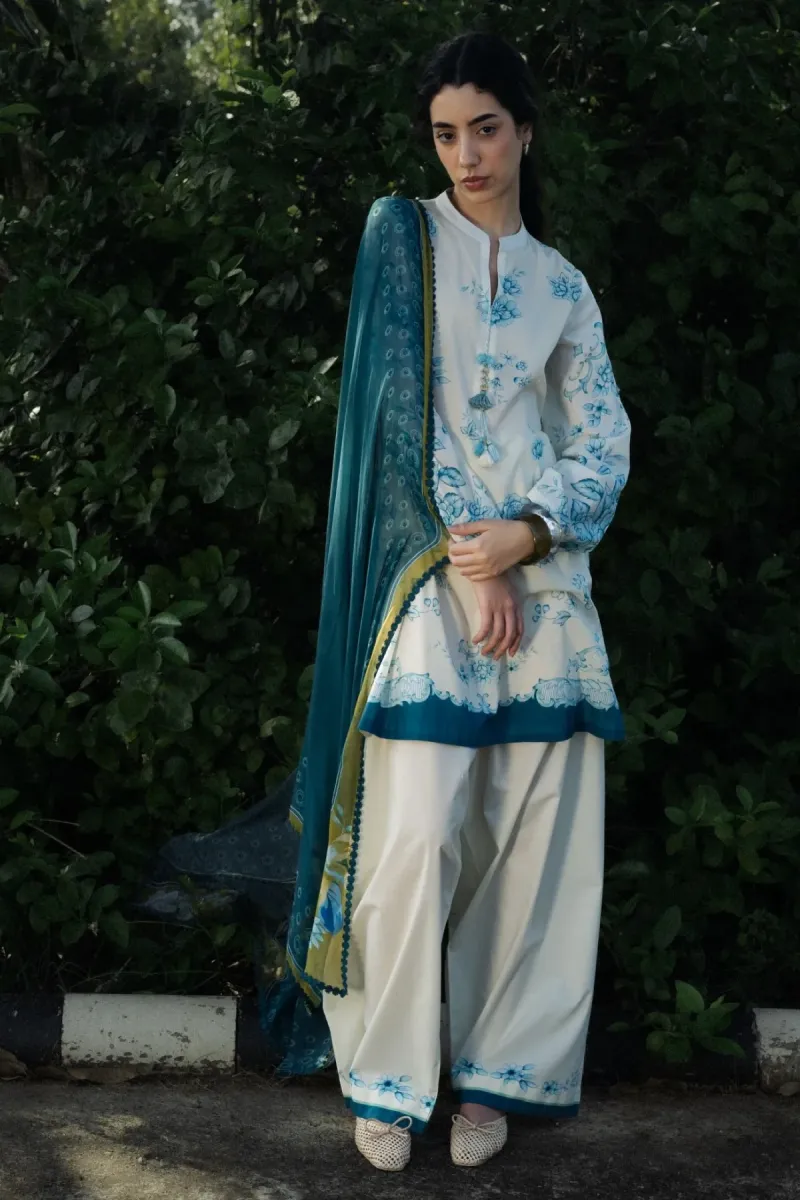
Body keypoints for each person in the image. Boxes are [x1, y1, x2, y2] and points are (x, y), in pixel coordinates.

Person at [266, 29, 631, 1173]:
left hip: (548, 589)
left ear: (523, 132)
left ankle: (491, 1078)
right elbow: (390, 422)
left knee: (530, 847)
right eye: (443, 134)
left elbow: (600, 439)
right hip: (427, 581)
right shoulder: (402, 239)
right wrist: (470, 561)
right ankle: (385, 1078)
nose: (464, 156)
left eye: (484, 130)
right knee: (411, 834)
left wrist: (529, 536)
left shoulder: (562, 287)